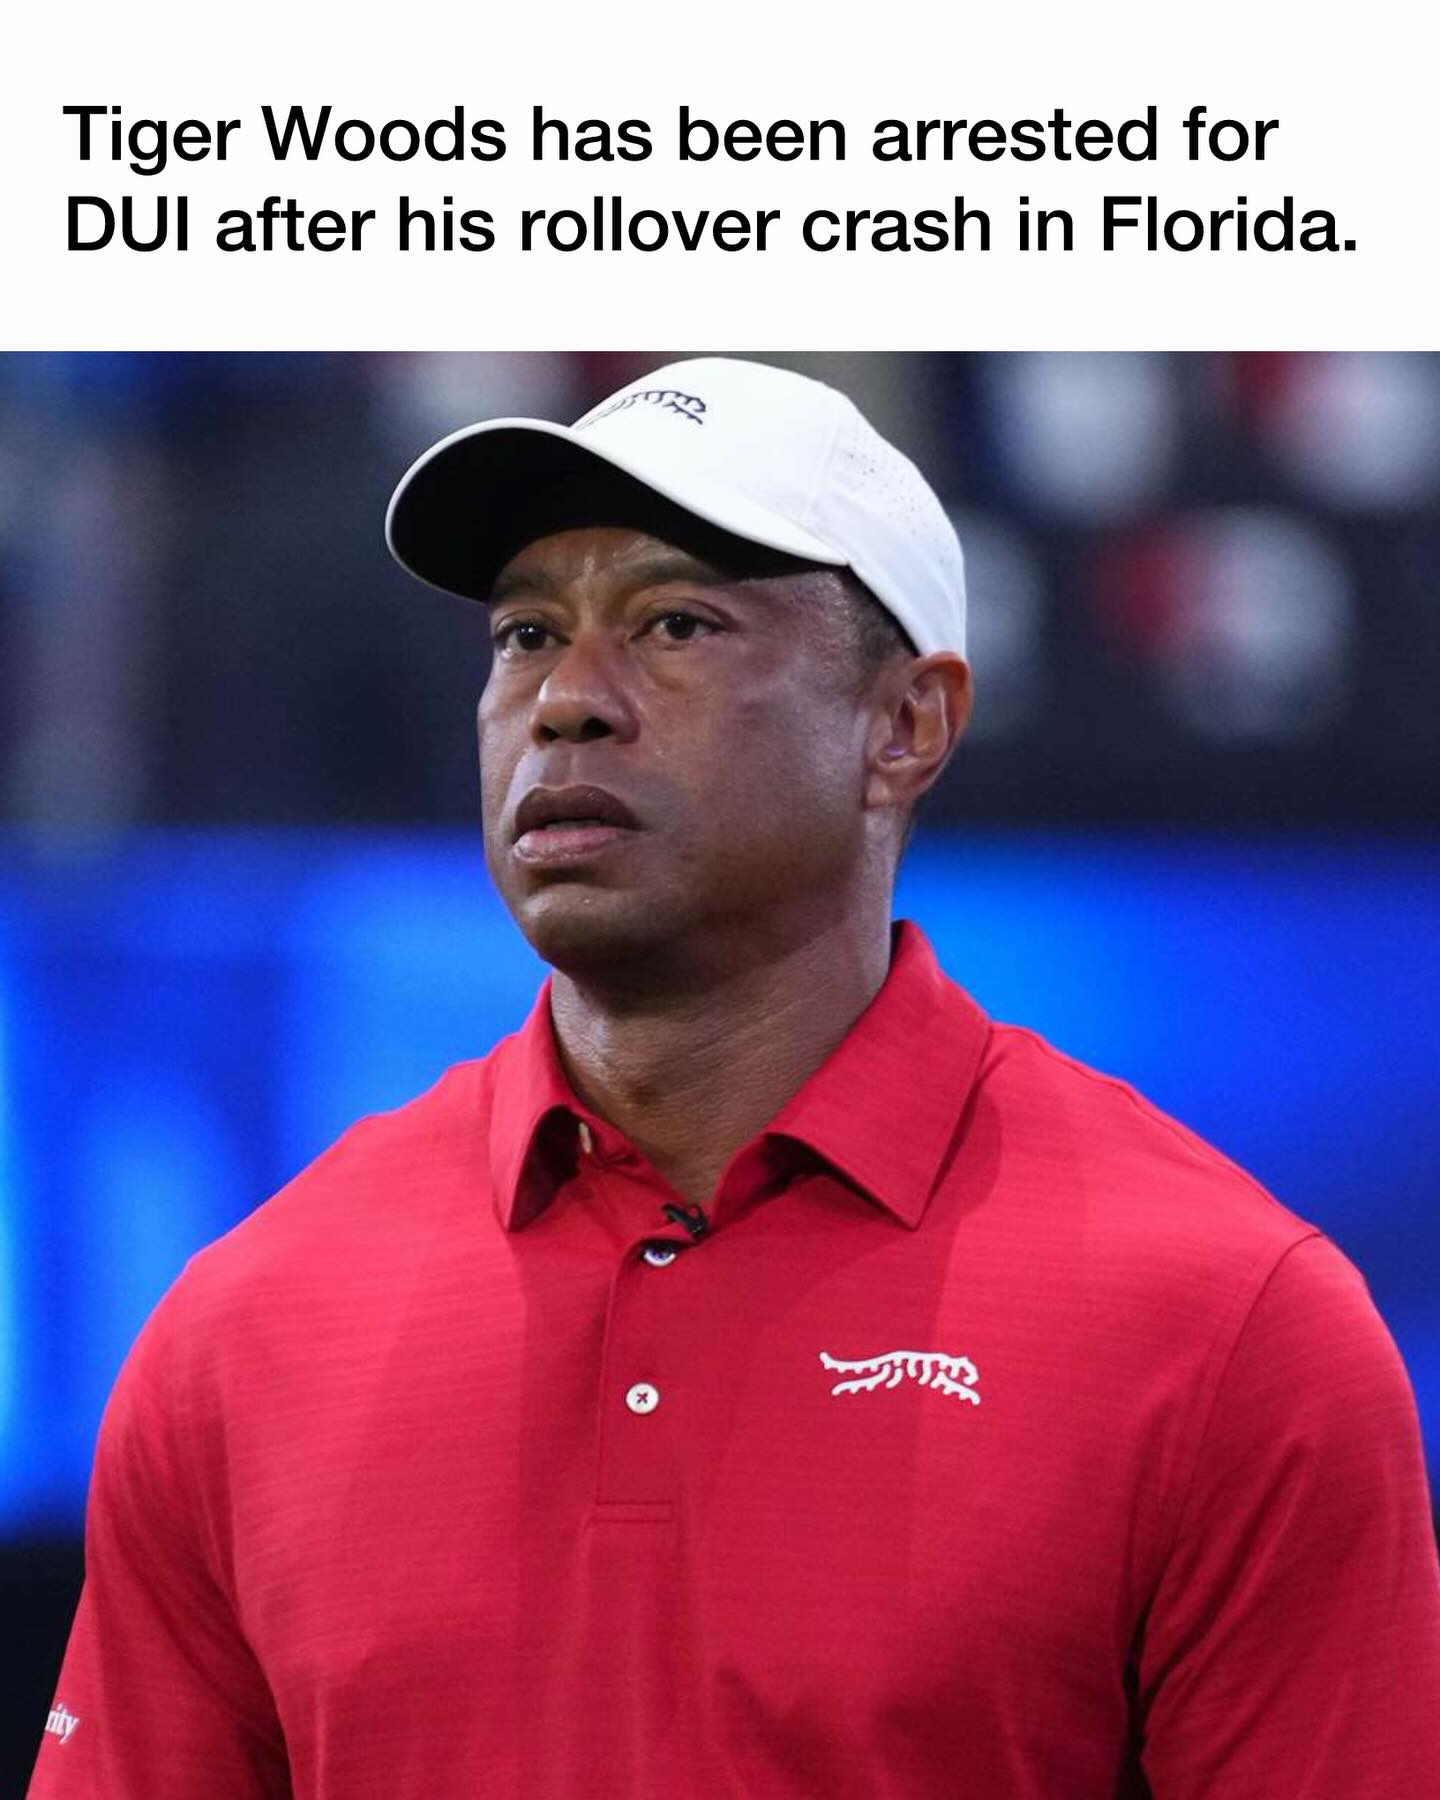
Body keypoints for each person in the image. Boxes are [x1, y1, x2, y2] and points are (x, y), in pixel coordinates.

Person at [30, 356, 1440, 1799]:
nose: (565, 701)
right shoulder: (247, 1326)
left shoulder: (1226, 1325)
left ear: (906, 725)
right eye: (525, 634)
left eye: (674, 624)